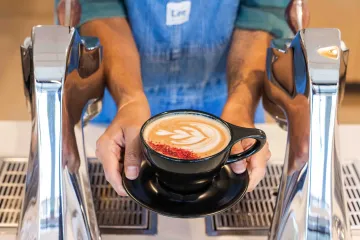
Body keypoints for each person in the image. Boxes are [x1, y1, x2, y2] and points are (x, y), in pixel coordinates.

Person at [57, 0, 292, 196]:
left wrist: (240, 105)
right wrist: (130, 99)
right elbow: (98, 6)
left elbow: (262, 11)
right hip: (122, 109)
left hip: (226, 101)